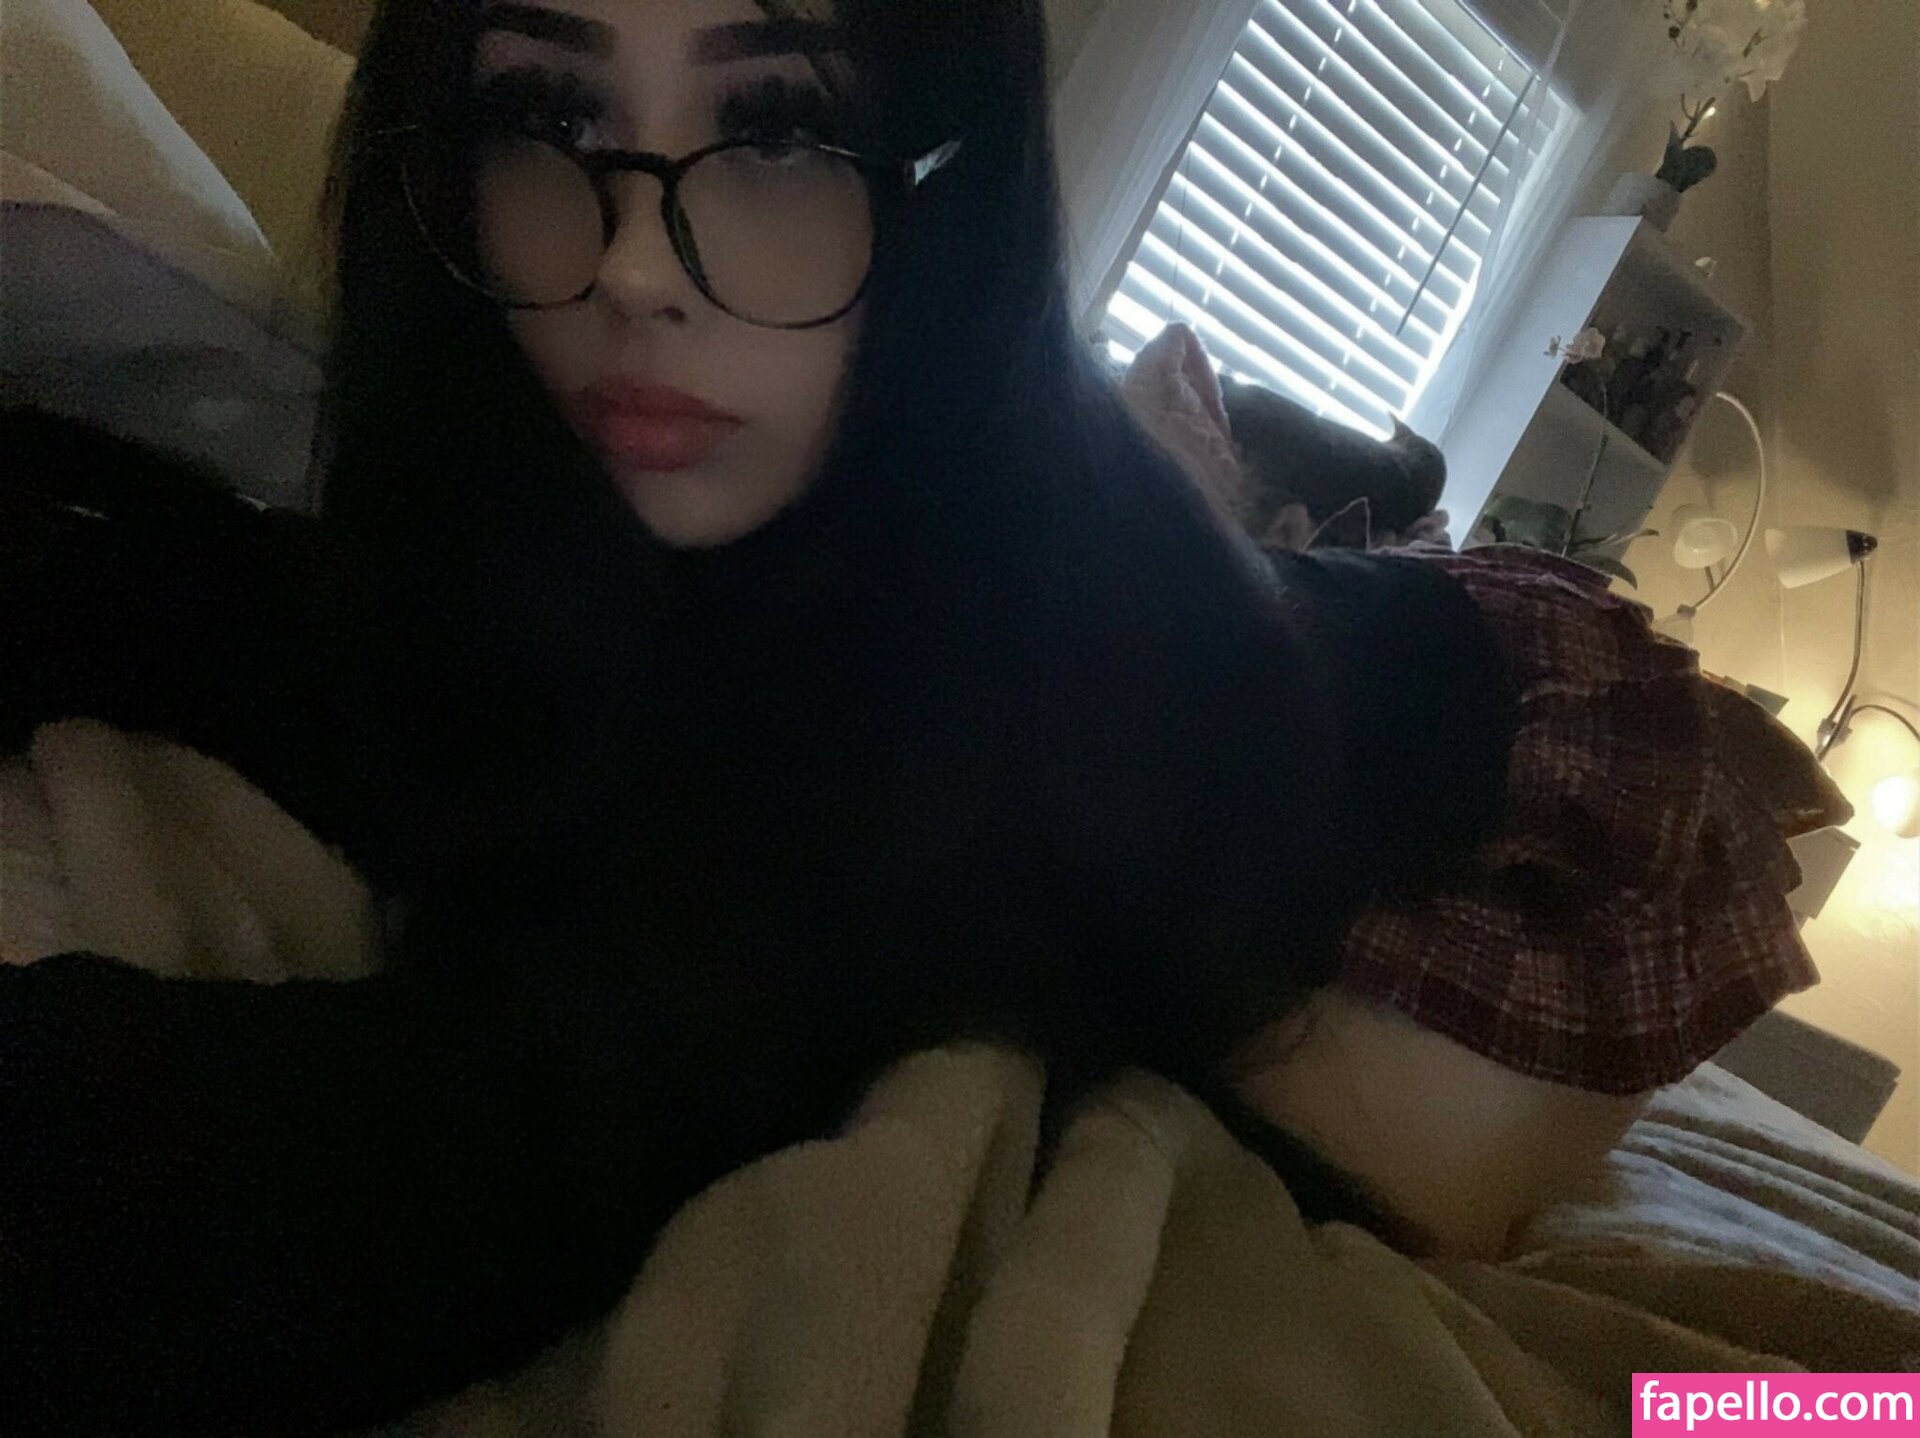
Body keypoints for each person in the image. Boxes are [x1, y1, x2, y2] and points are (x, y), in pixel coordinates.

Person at [0, 0, 1825, 1431]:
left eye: (780, 128)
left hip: (1529, 771)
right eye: (546, 112)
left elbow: (432, 1151)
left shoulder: (927, 729)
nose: (633, 260)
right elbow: (305, 623)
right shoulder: (557, 450)